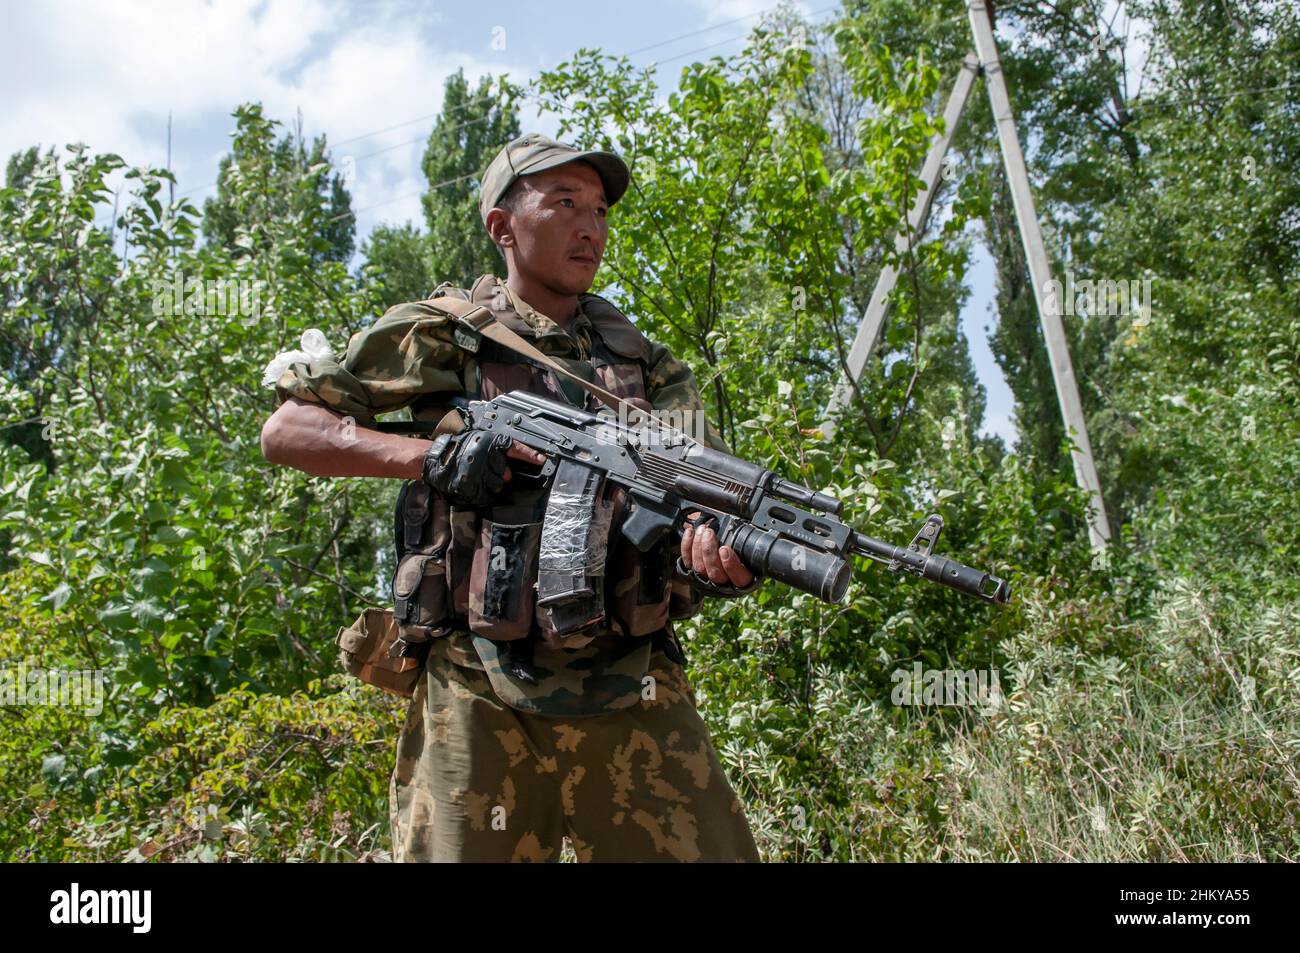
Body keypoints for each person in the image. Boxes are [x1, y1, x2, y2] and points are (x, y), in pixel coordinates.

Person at [260, 132, 763, 862]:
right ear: (502, 226)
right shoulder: (444, 336)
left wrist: (721, 551)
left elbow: (709, 491)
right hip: (476, 686)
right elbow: (290, 429)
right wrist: (436, 456)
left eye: (597, 209)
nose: (590, 225)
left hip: (629, 680)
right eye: (563, 203)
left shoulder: (645, 364)